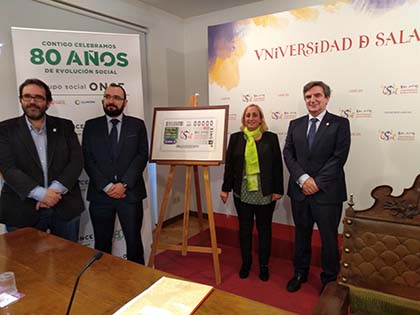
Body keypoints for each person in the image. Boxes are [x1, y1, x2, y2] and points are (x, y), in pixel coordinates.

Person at [283, 81, 351, 292]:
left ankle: (329, 280)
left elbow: (338, 158)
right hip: (300, 192)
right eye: (308, 97)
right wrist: (303, 179)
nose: (312, 100)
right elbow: (288, 154)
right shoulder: (296, 124)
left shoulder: (340, 123)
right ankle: (300, 272)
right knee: (301, 235)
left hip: (327, 194)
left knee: (329, 239)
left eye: (317, 96)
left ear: (327, 98)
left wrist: (317, 183)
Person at [0, 78, 84, 241]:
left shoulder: (65, 126)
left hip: (65, 206)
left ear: (48, 102)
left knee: (69, 263)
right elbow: (7, 168)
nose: (32, 101)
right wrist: (41, 194)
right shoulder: (5, 129)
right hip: (21, 209)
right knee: (24, 265)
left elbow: (76, 161)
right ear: (21, 100)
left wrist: (53, 192)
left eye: (38, 97)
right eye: (27, 97)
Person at [82, 83, 148, 264]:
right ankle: (105, 281)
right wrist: (107, 186)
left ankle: (138, 280)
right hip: (100, 196)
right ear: (103, 99)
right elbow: (87, 159)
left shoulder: (137, 125)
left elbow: (142, 156)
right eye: (108, 96)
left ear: (125, 102)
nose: (111, 101)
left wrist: (124, 184)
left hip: (130, 194)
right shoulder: (91, 126)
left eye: (117, 98)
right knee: (102, 243)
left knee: (134, 241)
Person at [220, 104, 283, 281]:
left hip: (265, 192)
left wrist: (278, 190)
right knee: (245, 230)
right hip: (243, 192)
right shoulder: (236, 138)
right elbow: (230, 166)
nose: (251, 118)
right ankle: (246, 263)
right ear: (243, 119)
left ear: (261, 118)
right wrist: (225, 189)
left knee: (264, 230)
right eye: (248, 115)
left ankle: (264, 265)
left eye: (255, 115)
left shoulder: (271, 138)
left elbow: (277, 165)